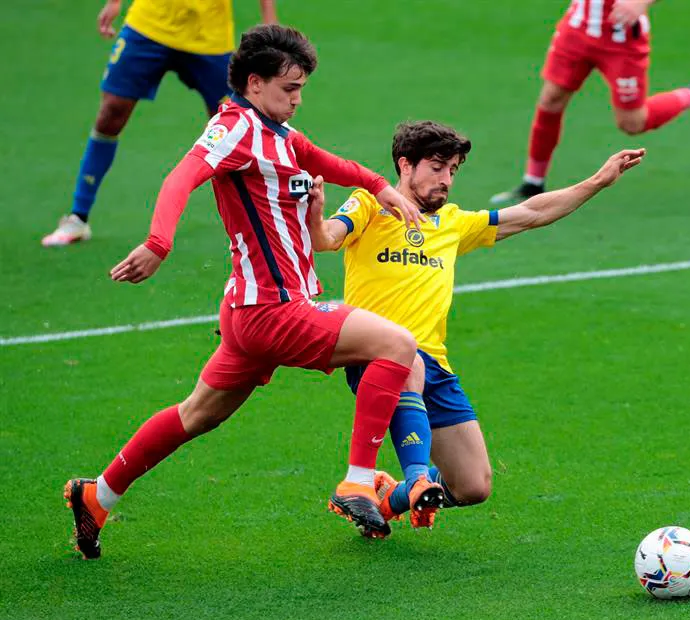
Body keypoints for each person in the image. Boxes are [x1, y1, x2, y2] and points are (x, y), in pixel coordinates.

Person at [64, 25, 428, 559]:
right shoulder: (232, 128)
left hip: (252, 310)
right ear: (254, 84)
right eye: (290, 88)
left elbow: (327, 162)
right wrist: (159, 243)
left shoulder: (277, 131)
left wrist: (380, 186)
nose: (298, 99)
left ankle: (97, 495)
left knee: (198, 414)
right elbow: (181, 177)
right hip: (272, 309)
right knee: (398, 345)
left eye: (302, 88)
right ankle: (357, 480)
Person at [308, 121, 644, 530]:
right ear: (405, 165)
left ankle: (389, 497)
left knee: (472, 486)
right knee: (406, 357)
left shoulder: (452, 222)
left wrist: (597, 181)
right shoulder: (369, 205)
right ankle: (415, 479)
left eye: (453, 170)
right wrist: (314, 215)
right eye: (437, 167)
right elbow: (326, 239)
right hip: (375, 354)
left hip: (435, 364)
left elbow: (532, 213)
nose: (447, 179)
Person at [42, 0, 278, 247]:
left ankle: (263, 220)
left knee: (237, 124)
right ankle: (77, 218)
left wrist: (268, 20)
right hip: (149, 24)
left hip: (208, 34)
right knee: (112, 111)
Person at [490, 0, 690, 206]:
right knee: (551, 100)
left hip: (622, 39)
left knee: (632, 123)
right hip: (577, 28)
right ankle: (533, 183)